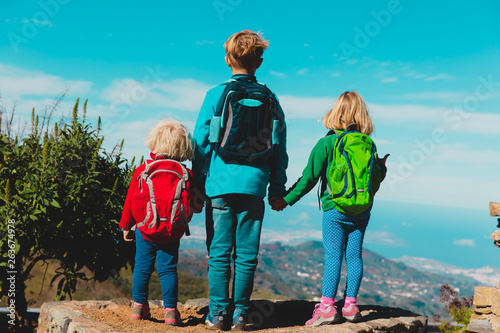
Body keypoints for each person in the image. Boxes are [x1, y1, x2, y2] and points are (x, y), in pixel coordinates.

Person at [193, 30, 288, 331]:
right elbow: (279, 149)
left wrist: (197, 185)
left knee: (219, 252)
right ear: (260, 61)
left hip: (219, 185)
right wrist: (277, 187)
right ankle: (241, 315)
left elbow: (200, 143)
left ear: (226, 59)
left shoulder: (215, 94)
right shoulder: (270, 98)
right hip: (254, 186)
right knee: (247, 255)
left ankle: (218, 314)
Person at [270, 91, 388, 326]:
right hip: (362, 210)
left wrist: (285, 199)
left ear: (336, 113)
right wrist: (382, 168)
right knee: (355, 255)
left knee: (334, 255)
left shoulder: (327, 142)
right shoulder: (368, 144)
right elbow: (375, 180)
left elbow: (308, 179)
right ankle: (351, 306)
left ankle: (326, 308)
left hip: (335, 210)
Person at [119, 119, 202, 326]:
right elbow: (197, 204)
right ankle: (171, 311)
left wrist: (126, 227)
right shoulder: (186, 174)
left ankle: (139, 307)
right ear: (182, 147)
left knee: (142, 268)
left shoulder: (142, 171)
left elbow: (130, 201)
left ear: (154, 142)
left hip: (145, 230)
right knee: (168, 270)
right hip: (172, 231)